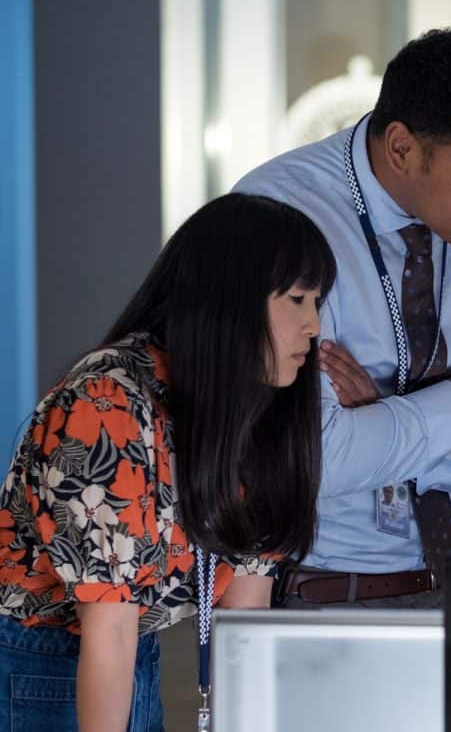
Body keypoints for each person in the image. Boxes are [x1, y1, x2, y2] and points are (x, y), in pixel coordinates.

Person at [237, 28, 451, 607]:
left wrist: (384, 417)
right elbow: (315, 460)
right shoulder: (278, 214)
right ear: (401, 149)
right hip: (316, 594)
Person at [0, 193, 335, 731]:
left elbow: (243, 617)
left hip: (133, 652)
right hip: (43, 661)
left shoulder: (257, 402)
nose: (314, 324)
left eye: (318, 301)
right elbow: (107, 630)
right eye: (296, 299)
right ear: (229, 300)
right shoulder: (105, 406)